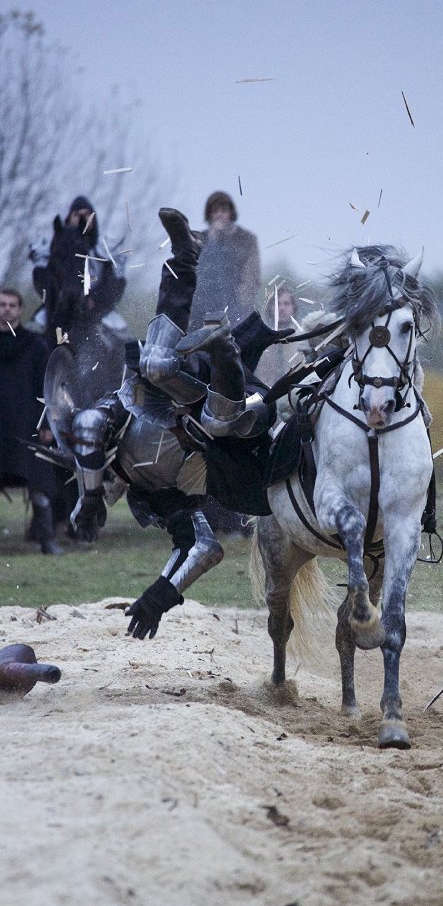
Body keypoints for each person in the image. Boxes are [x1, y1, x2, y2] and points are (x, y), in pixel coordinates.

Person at [57, 208, 290, 637]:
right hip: (215, 418)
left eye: (102, 490)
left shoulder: (110, 435)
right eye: (105, 495)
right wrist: (160, 596)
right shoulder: (164, 501)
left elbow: (88, 425)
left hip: (168, 386)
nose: (111, 490)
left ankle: (184, 257)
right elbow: (205, 548)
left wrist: (87, 504)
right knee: (226, 418)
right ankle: (227, 352)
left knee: (157, 364)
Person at [0, 288, 63, 554]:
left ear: (20, 310)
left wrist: (48, 424)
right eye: (2, 304)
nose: (7, 309)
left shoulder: (36, 346)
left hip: (28, 426)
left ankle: (46, 540)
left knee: (39, 482)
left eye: (12, 305)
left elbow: (47, 388)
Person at [29, 194, 129, 345]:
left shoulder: (106, 249)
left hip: (97, 311)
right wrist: (57, 296)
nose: (82, 218)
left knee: (123, 344)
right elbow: (42, 279)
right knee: (31, 337)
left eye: (87, 214)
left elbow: (115, 284)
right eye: (77, 214)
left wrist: (94, 299)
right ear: (69, 217)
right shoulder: (54, 249)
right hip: (56, 310)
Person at [189, 191, 260, 330]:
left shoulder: (246, 239)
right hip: (202, 306)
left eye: (223, 210)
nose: (219, 215)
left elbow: (252, 274)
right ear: (209, 214)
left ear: (231, 213)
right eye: (215, 211)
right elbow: (192, 271)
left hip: (235, 305)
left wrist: (240, 301)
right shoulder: (199, 239)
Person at [256, 284, 300, 387]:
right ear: (270, 307)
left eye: (286, 303)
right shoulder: (261, 338)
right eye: (277, 304)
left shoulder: (302, 339)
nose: (281, 308)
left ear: (293, 306)